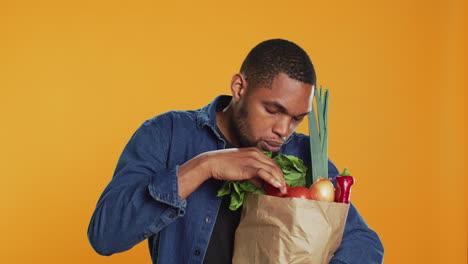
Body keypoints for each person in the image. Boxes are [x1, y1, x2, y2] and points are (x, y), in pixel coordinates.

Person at [88, 39, 384, 263]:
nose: (284, 130)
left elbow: (365, 244)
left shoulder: (307, 157)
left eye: (296, 119)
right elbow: (105, 236)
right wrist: (203, 167)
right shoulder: (167, 134)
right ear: (239, 88)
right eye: (272, 110)